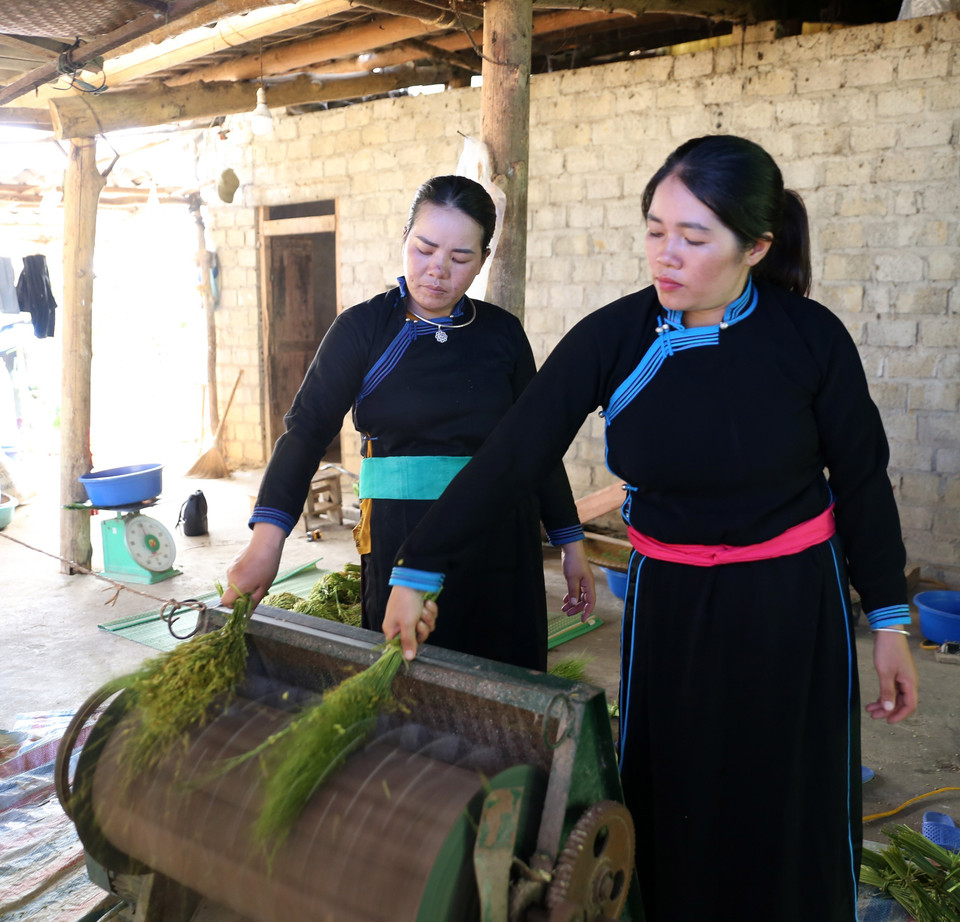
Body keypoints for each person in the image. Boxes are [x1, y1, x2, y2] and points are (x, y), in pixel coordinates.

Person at [384, 137, 919, 922]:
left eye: (694, 238)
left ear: (757, 247)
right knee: (673, 796)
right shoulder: (618, 337)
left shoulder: (809, 339)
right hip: (670, 605)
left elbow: (863, 480)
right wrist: (418, 564)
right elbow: (512, 454)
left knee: (787, 797)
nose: (666, 256)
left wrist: (891, 620)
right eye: (655, 230)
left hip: (790, 605)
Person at [220, 174, 594, 670]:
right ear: (404, 238)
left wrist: (571, 542)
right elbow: (307, 429)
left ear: (483, 259)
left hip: (503, 543)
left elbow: (535, 446)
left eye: (460, 258)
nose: (437, 270)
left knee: (508, 679)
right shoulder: (364, 330)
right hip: (401, 541)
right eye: (424, 248)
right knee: (408, 685)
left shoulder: (502, 335)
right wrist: (265, 544)